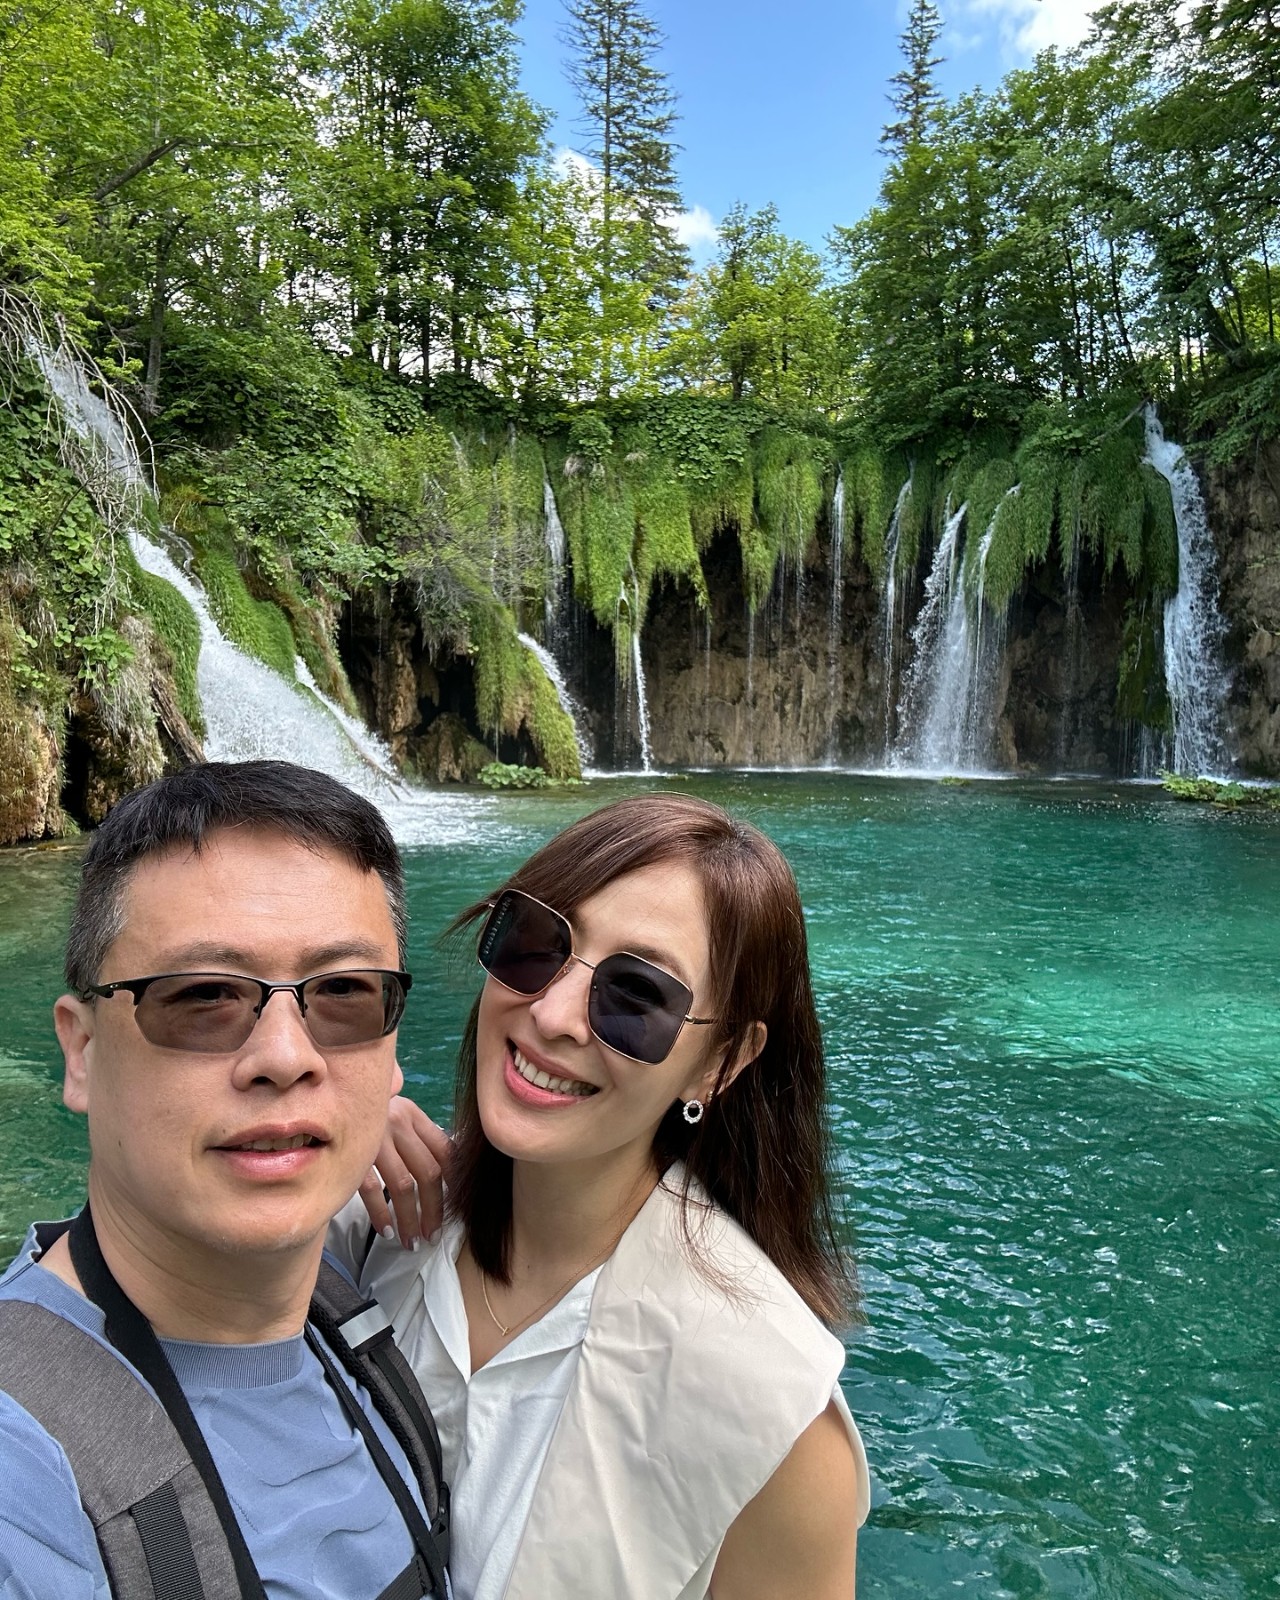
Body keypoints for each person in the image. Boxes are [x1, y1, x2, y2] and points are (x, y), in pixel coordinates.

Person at [332, 792, 871, 1600]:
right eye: (537, 944)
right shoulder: (372, 1223)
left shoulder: (775, 1422)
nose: (553, 1015)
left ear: (721, 1062)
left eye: (636, 996)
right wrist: (320, 1136)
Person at [0, 760, 449, 1600]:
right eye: (203, 995)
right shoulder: (25, 1476)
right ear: (82, 1052)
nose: (285, 1057)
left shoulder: (350, 1311)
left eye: (345, 993)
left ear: (391, 1053)